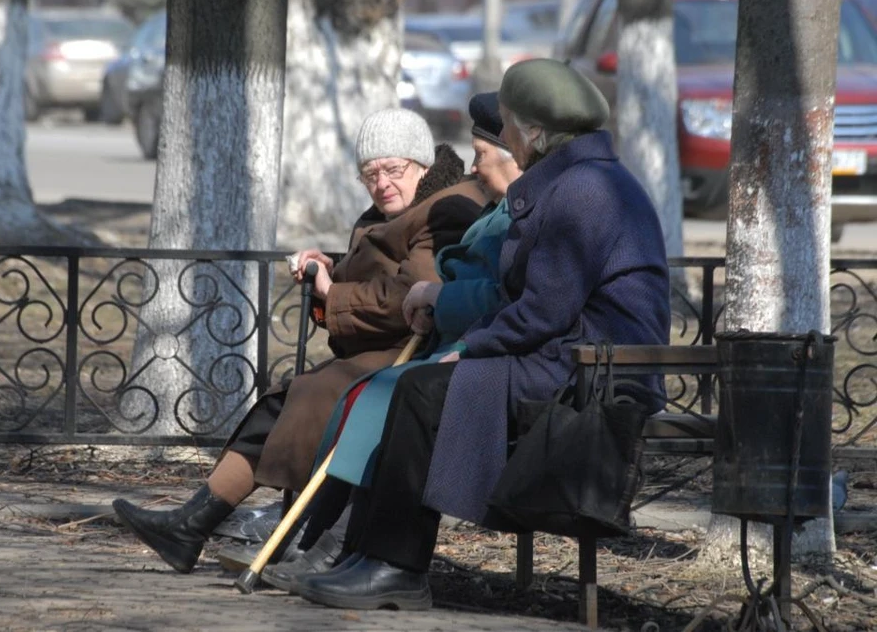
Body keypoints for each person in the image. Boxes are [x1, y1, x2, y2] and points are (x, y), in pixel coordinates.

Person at [294, 58, 672, 611]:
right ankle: (366, 555)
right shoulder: (577, 179)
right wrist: (468, 348)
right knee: (415, 386)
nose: (505, 135)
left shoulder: (585, 192)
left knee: (422, 392)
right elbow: (536, 307)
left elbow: (543, 311)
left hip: (594, 374)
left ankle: (396, 566)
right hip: (567, 358)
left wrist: (470, 348)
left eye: (510, 123)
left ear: (536, 133)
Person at [110, 108, 488, 574]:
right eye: (369, 174)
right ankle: (191, 525)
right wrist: (327, 268)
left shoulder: (440, 211)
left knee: (304, 398)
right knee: (279, 404)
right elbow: (381, 271)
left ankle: (215, 529)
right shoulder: (393, 211)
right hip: (376, 354)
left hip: (409, 359)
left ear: (423, 166)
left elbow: (408, 298)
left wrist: (335, 292)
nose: (382, 182)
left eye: (394, 169)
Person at [232, 93, 524, 590]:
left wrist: (442, 310)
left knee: (386, 396)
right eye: (370, 174)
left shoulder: (483, 210)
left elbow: (508, 297)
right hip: (451, 343)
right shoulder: (498, 210)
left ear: (513, 154)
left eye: (480, 154)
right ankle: (327, 546)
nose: (474, 165)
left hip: (482, 353)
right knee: (365, 399)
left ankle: (363, 555)